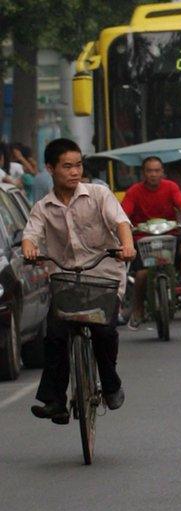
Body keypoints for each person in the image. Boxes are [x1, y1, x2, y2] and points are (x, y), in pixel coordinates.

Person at [22, 138, 136, 423]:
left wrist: (127, 244)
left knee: (103, 331)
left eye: (78, 165)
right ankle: (55, 402)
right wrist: (29, 249)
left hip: (103, 278)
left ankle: (110, 384)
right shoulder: (42, 208)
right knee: (56, 334)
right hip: (67, 282)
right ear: (50, 168)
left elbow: (120, 222)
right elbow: (30, 235)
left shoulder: (99, 195)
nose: (74, 172)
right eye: (67, 166)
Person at [122, 156, 181, 326]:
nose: (153, 174)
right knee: (142, 274)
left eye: (157, 171)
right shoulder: (133, 192)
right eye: (149, 171)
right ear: (143, 173)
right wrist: (125, 226)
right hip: (143, 239)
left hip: (170, 236)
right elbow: (124, 214)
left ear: (163, 173)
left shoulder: (171, 187)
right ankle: (137, 309)